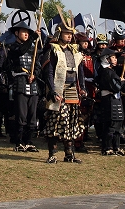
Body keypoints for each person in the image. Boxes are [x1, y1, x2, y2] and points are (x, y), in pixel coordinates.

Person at [42, 21, 85, 164]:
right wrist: (52, 91)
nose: (69, 36)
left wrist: (82, 87)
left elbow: (80, 71)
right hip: (59, 90)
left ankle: (69, 154)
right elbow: (48, 72)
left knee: (72, 122)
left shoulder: (74, 50)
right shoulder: (52, 49)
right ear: (59, 33)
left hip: (73, 90)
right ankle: (52, 154)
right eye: (66, 33)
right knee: (56, 122)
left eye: (70, 34)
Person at [5, 15, 41, 153]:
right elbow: (21, 51)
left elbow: (37, 65)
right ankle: (19, 141)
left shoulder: (33, 49)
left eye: (28, 32)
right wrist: (33, 38)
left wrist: (35, 74)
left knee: (32, 114)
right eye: (24, 32)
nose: (26, 34)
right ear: (16, 33)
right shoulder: (12, 48)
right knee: (21, 115)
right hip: (20, 81)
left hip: (33, 83)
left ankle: (29, 141)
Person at [95, 48, 125, 156]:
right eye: (113, 57)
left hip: (115, 100)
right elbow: (115, 87)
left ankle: (116, 147)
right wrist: (122, 83)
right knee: (110, 125)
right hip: (109, 100)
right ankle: (107, 147)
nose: (115, 59)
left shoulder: (111, 71)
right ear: (106, 59)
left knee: (117, 125)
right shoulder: (106, 72)